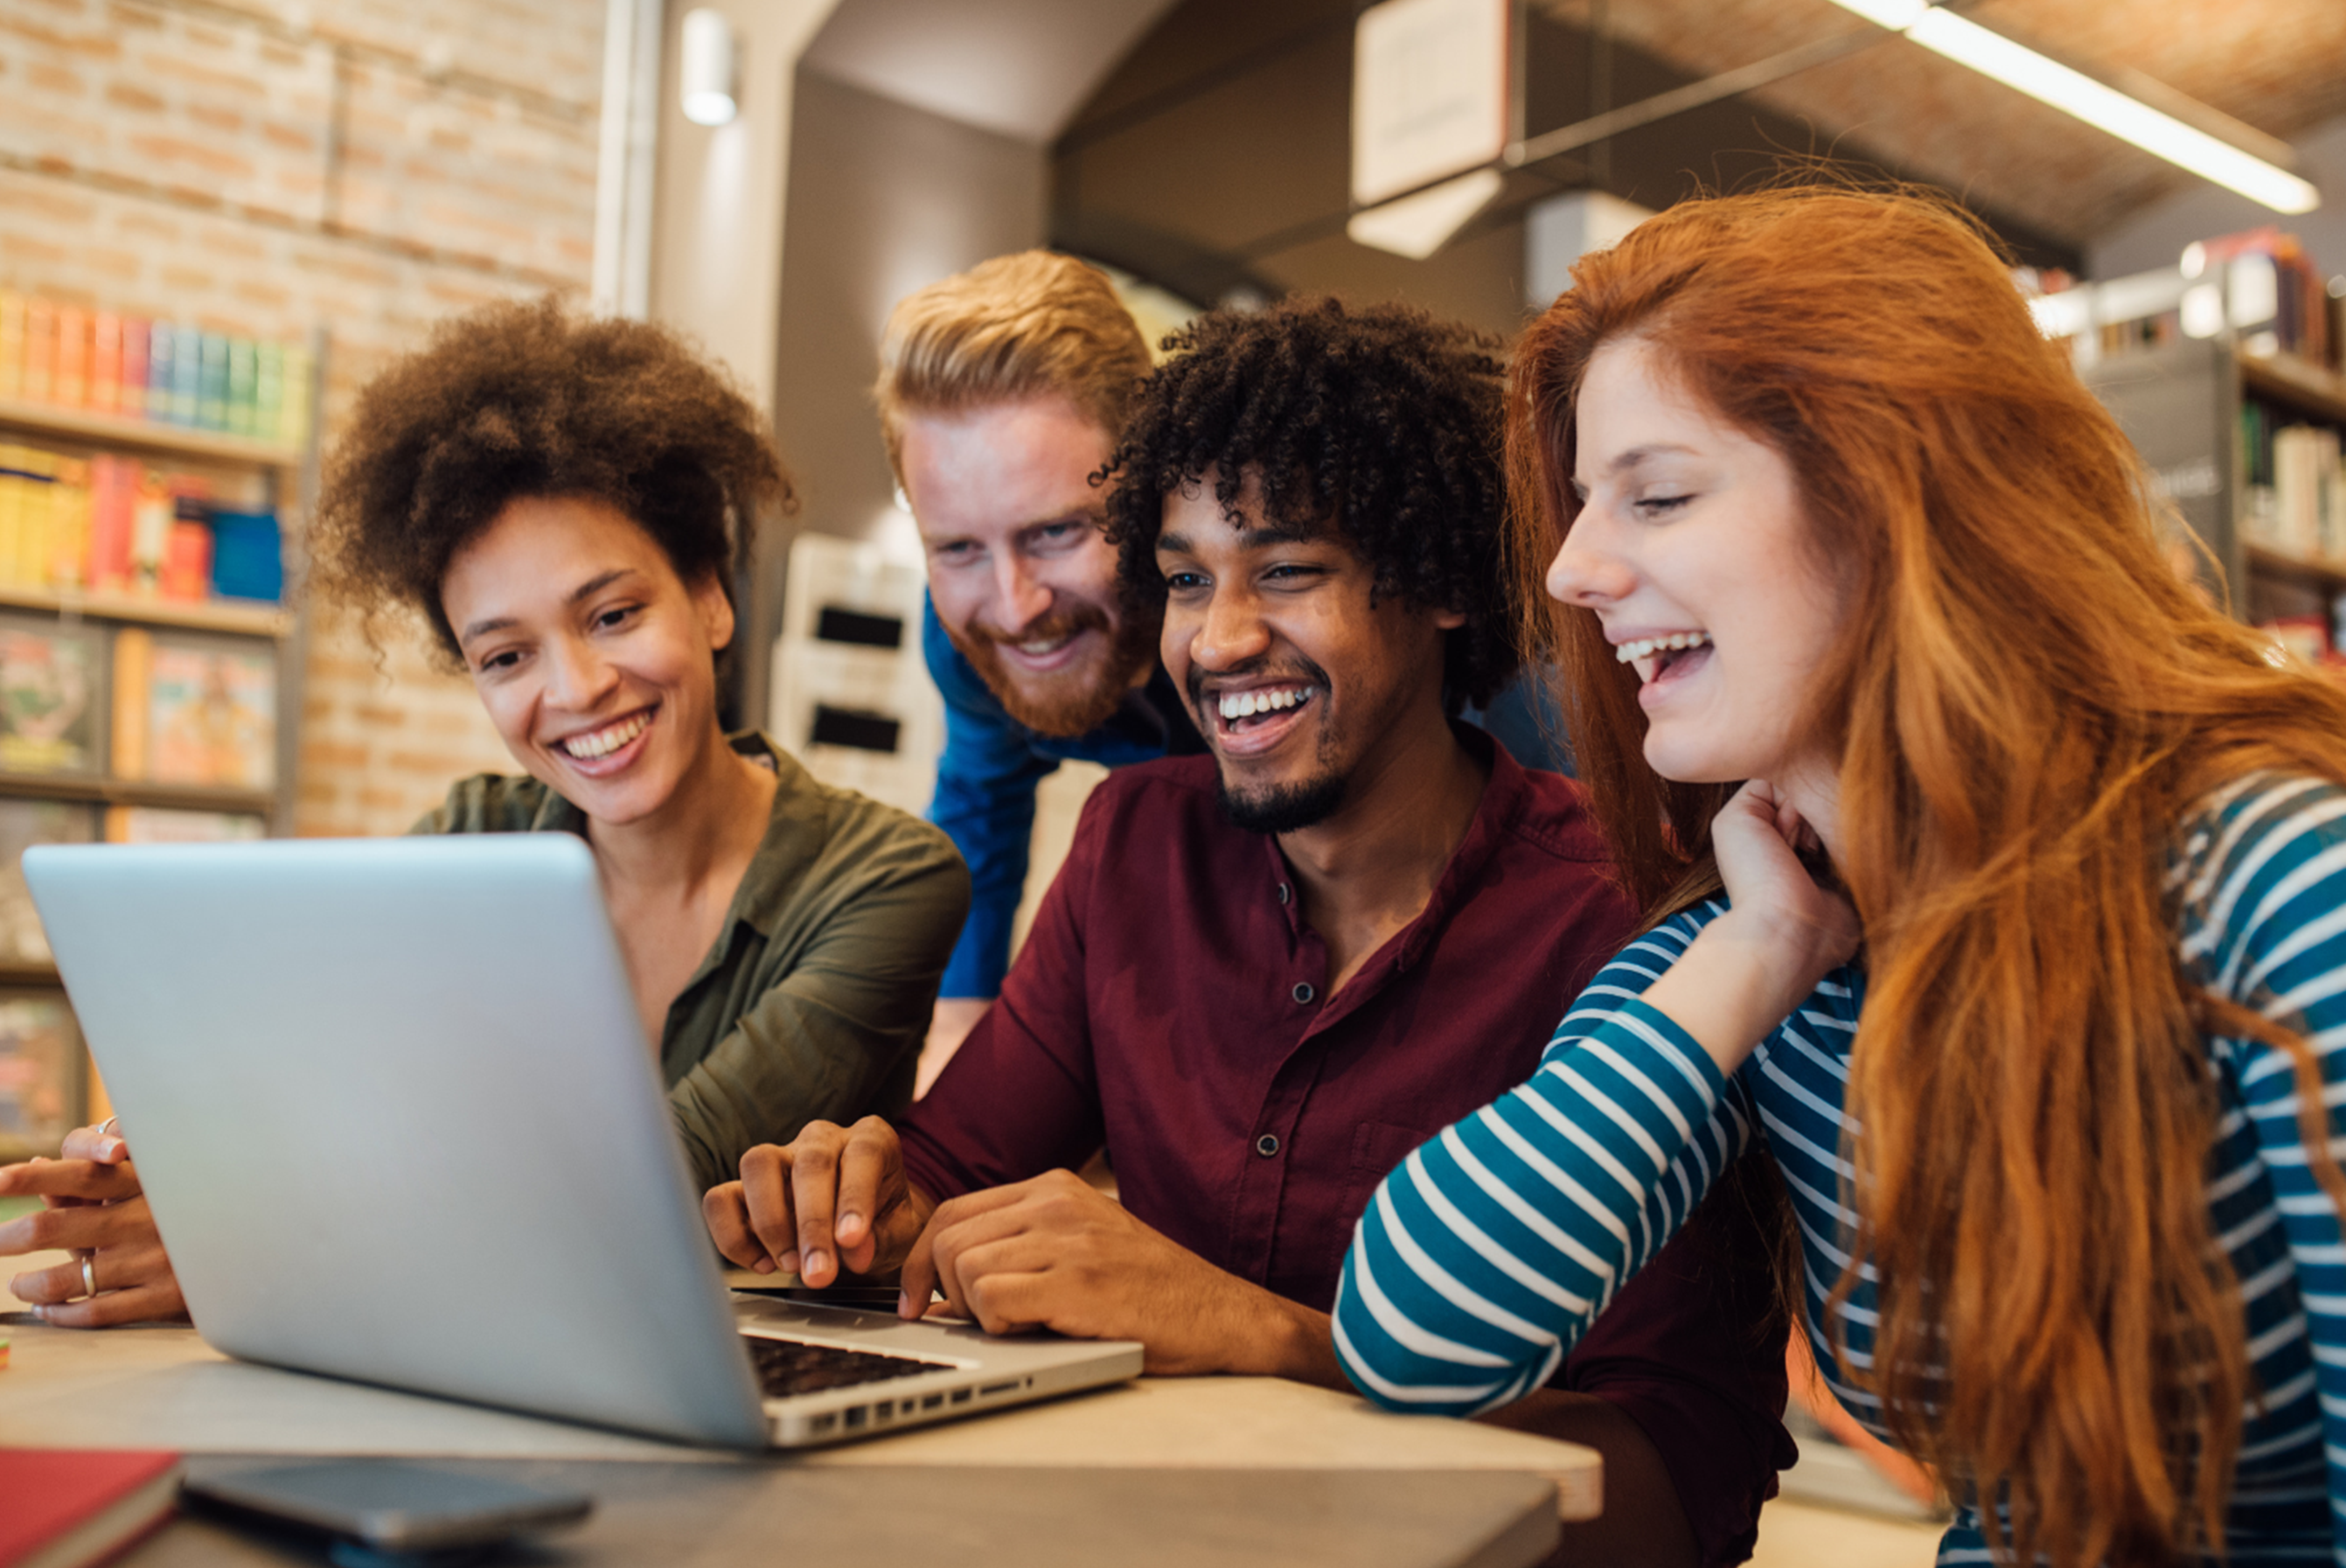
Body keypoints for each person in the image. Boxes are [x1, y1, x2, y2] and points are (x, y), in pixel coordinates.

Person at [1333, 185, 2346, 1567]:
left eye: (1660, 494)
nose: (1570, 571)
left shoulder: (2269, 881)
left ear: (1896, 499)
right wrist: (1750, 963)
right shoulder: (1759, 946)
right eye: (1578, 507)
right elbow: (1411, 1341)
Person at [711, 297, 1794, 1567]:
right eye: (1181, 581)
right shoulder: (1131, 848)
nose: (1218, 640)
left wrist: (1269, 1333)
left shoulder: (1630, 925)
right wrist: (856, 1202)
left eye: (1284, 570)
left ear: (1439, 583)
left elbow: (1683, 1482)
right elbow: (949, 1171)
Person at [0, 299, 969, 1327]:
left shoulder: (887, 879)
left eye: (614, 614)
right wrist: (169, 1166)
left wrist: (249, 1237)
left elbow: (659, 1179)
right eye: (507, 655)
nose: (579, 686)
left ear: (711, 598)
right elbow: (320, 1095)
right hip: (475, 1347)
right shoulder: (473, 837)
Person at [882, 253, 1568, 1065]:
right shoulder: (972, 640)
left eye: (1056, 532)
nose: (1014, 603)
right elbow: (980, 810)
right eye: (957, 548)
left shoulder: (1477, 687)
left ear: (1155, 487)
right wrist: (958, 1032)